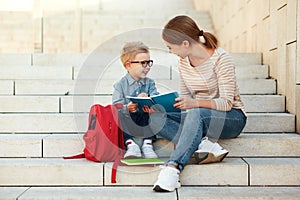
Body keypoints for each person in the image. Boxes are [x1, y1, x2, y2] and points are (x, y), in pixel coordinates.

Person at [150, 15, 247, 192]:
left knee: (196, 112)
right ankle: (203, 145)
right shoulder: (183, 63)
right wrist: (166, 105)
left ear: (185, 44)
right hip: (197, 116)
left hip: (231, 117)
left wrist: (194, 103)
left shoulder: (221, 59)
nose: (170, 51)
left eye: (171, 47)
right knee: (154, 117)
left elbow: (226, 103)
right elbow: (186, 99)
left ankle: (173, 168)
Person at [112, 41, 159, 159]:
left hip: (145, 120)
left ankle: (147, 144)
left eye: (149, 63)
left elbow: (156, 98)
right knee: (118, 114)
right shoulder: (120, 85)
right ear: (128, 65)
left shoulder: (150, 83)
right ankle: (131, 144)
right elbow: (116, 105)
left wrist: (151, 102)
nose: (147, 67)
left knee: (155, 114)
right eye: (143, 63)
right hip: (129, 121)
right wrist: (127, 107)